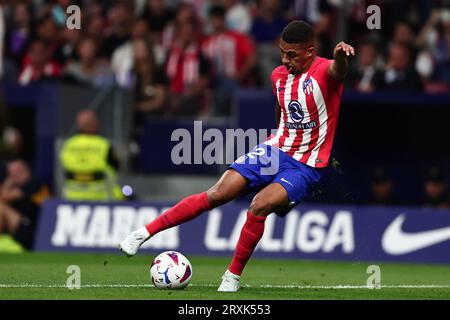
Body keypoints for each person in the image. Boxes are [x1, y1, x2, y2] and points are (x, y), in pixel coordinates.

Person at [120, 20, 355, 292]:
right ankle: (144, 233)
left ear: (310, 52)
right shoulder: (278, 76)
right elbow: (282, 114)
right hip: (275, 149)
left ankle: (231, 277)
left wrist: (340, 55)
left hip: (305, 165)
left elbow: (338, 70)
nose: (284, 60)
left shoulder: (324, 71)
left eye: (291, 55)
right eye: (282, 52)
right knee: (217, 193)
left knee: (259, 205)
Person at [59, 109, 124, 201]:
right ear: (95, 124)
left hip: (72, 198)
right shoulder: (103, 145)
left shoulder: (68, 145)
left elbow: (62, 167)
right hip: (102, 198)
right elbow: (116, 167)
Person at [0, 160, 50, 251]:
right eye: (12, 172)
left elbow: (5, 197)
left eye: (18, 171)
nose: (15, 174)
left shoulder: (33, 184)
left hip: (34, 229)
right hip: (22, 226)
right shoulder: (17, 186)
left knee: (1, 207)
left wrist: (8, 181)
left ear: (27, 171)